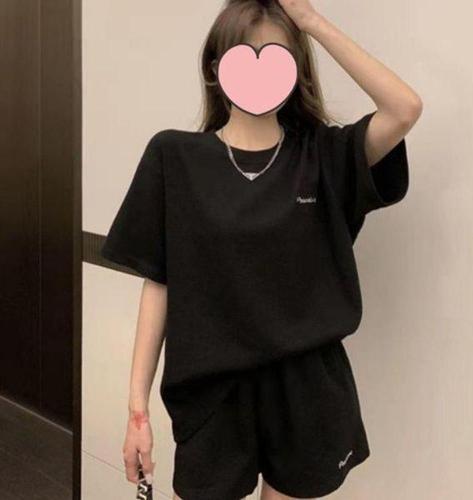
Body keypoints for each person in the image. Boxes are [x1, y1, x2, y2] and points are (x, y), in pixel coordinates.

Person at [101, 0, 423, 498]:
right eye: (245, 57)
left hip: (308, 390)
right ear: (215, 69)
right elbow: (159, 284)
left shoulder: (323, 156)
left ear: (296, 72)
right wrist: (136, 410)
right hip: (213, 392)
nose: (259, 72)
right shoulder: (174, 157)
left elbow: (404, 108)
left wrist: (311, 23)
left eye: (277, 59)